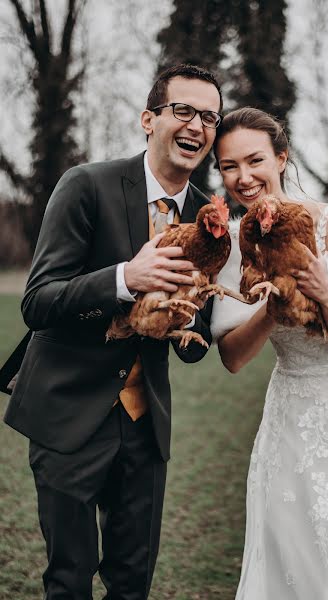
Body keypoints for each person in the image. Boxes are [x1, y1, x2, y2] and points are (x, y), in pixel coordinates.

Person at [0, 64, 223, 600]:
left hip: (146, 427)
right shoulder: (86, 185)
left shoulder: (210, 216)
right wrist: (126, 278)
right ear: (149, 120)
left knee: (131, 583)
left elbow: (199, 342)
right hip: (68, 416)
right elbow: (38, 302)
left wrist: (189, 319)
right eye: (183, 111)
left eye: (209, 116)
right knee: (69, 581)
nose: (197, 125)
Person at [211, 107, 328, 600]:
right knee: (294, 553)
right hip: (291, 415)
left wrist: (325, 292)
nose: (243, 177)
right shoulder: (232, 245)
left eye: (254, 161)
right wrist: (269, 313)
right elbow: (232, 357)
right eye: (229, 166)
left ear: (281, 157)